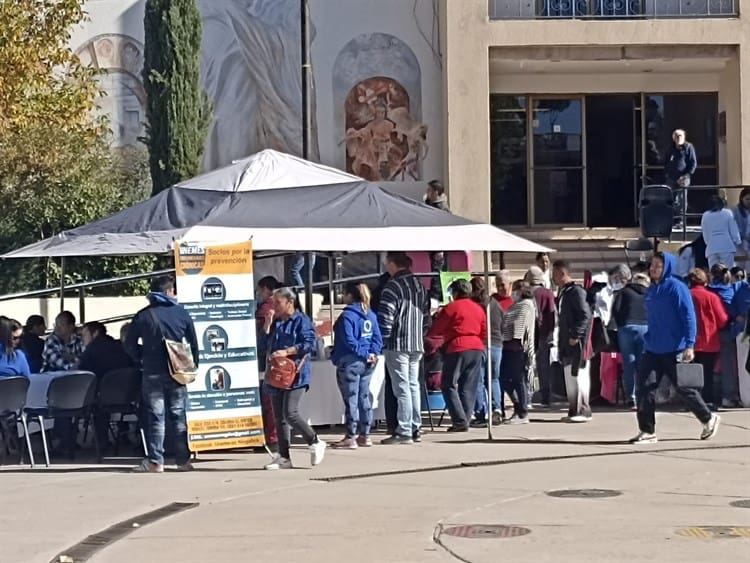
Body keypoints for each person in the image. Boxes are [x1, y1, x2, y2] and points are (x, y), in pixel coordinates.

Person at [629, 252, 720, 444]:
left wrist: (689, 344)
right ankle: (647, 430)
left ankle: (708, 418)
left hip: (674, 348)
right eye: (652, 265)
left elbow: (689, 317)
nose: (653, 269)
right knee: (644, 388)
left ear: (667, 267)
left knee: (684, 389)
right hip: (652, 348)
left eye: (658, 265)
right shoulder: (651, 289)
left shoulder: (677, 288)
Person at [125, 275, 199, 473]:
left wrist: (140, 358)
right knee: (178, 416)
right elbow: (193, 342)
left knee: (156, 417)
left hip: (151, 371)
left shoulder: (143, 315)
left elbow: (129, 344)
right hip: (177, 371)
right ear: (169, 291)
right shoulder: (182, 313)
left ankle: (156, 461)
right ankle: (183, 461)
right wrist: (192, 366)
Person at [262, 287, 326, 469]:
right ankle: (284, 457)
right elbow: (264, 345)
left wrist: (288, 352)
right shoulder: (277, 322)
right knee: (279, 417)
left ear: (290, 302)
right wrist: (267, 326)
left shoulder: (301, 321)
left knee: (290, 413)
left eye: (278, 302)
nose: (274, 306)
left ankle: (314, 440)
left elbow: (309, 343)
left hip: (295, 374)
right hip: (276, 375)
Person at [378, 251, 430, 445]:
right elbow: (426, 315)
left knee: (402, 387)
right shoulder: (419, 285)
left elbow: (386, 317)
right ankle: (416, 426)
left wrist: (382, 339)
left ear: (392, 264)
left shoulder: (393, 286)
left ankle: (405, 429)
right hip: (416, 341)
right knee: (412, 385)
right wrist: (421, 333)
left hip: (397, 342)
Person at [427, 279, 486, 432]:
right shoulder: (478, 308)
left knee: (448, 384)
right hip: (477, 347)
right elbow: (484, 330)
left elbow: (436, 329)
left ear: (456, 292)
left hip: (457, 347)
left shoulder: (451, 308)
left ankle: (460, 421)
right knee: (469, 386)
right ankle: (464, 419)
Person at [330, 283, 383, 449]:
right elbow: (377, 339)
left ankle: (351, 436)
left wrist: (364, 353)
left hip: (351, 361)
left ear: (349, 296)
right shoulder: (370, 315)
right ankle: (365, 434)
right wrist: (371, 353)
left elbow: (349, 340)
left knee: (351, 399)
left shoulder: (347, 316)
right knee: (364, 396)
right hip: (368, 362)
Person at [552, 260, 593, 423]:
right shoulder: (564, 292)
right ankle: (574, 408)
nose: (553, 278)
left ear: (562, 273)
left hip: (577, 344)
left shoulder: (576, 292)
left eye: (555, 274)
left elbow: (585, 315)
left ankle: (583, 409)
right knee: (570, 376)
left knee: (579, 375)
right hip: (566, 341)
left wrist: (576, 334)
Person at [688, 268, 728, 409]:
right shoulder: (712, 297)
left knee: (690, 374)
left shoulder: (686, 295)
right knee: (707, 374)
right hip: (709, 340)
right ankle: (707, 401)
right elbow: (722, 319)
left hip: (689, 341)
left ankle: (692, 401)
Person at [611, 265, 649, 408]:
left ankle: (630, 397)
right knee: (642, 364)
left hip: (627, 328)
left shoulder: (623, 292)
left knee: (628, 363)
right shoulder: (649, 293)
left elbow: (616, 310)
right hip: (645, 328)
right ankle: (642, 395)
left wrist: (621, 324)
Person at [500, 284, 537, 424]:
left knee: (518, 380)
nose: (513, 293)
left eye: (515, 289)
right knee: (504, 379)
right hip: (508, 347)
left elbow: (520, 326)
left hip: (518, 348)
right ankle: (517, 405)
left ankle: (522, 411)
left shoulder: (526, 305)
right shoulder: (515, 305)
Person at [470, 276, 505, 427]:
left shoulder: (473, 305)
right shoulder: (494, 304)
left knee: (478, 380)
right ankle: (496, 409)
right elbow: (502, 322)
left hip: (480, 344)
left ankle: (480, 413)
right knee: (494, 379)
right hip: (496, 344)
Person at [707, 264, 742, 408]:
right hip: (726, 330)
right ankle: (727, 396)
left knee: (709, 365)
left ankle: (710, 395)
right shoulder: (731, 290)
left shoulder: (707, 290)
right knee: (728, 366)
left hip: (708, 331)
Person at [255, 275, 282, 449]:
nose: (258, 293)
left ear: (266, 289)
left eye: (259, 290)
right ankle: (273, 436)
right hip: (275, 359)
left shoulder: (266, 308)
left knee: (267, 401)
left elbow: (260, 337)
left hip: (266, 359)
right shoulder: (279, 307)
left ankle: (271, 438)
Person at [525, 266, 556, 407]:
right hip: (543, 333)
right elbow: (551, 314)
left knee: (529, 366)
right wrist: (551, 333)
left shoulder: (525, 293)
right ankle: (545, 396)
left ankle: (528, 395)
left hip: (527, 333)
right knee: (544, 367)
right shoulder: (547, 293)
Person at [664, 128, 697, 227]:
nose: (678, 138)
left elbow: (693, 163)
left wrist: (686, 175)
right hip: (671, 178)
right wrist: (667, 174)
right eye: (676, 136)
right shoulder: (671, 148)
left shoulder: (688, 147)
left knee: (681, 201)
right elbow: (666, 163)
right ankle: (671, 220)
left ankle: (680, 221)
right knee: (670, 199)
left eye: (680, 136)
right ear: (673, 138)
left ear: (684, 137)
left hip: (684, 178)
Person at [701, 195, 741, 268]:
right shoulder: (727, 213)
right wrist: (737, 241)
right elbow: (733, 230)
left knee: (714, 272)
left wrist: (708, 243)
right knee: (727, 271)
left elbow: (705, 233)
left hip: (711, 248)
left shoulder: (705, 215)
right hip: (726, 246)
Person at [733, 187, 750, 268]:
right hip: (741, 242)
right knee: (741, 265)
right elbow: (735, 227)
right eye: (747, 199)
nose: (749, 201)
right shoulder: (736, 211)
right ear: (741, 198)